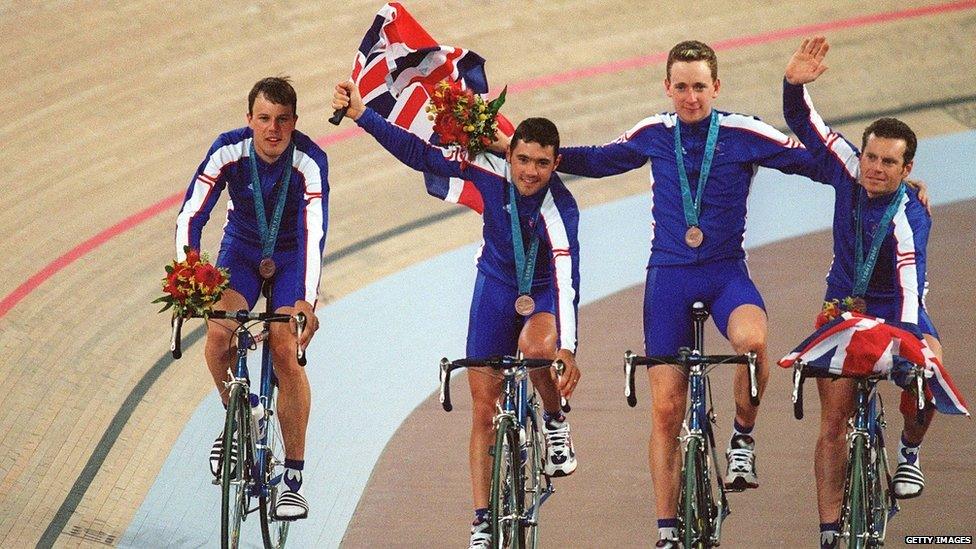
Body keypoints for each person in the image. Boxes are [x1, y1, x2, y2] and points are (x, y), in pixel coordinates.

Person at [553, 40, 824, 547]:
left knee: (752, 344)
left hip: (725, 275)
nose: (691, 96)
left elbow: (817, 164)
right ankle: (666, 530)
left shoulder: (744, 132)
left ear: (716, 88)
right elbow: (597, 159)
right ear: (667, 87)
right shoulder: (654, 133)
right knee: (665, 411)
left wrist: (889, 184)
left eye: (700, 86)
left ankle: (742, 438)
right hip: (669, 279)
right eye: (682, 86)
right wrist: (533, 153)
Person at [332, 80, 582, 549]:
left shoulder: (560, 208)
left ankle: (553, 420)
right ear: (510, 155)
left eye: (542, 163)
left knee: (534, 350)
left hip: (544, 295)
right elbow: (419, 153)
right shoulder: (486, 170)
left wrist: (567, 349)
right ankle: (483, 519)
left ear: (556, 164)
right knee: (484, 411)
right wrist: (363, 115)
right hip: (495, 287)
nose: (530, 172)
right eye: (523, 160)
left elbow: (568, 281)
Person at [783, 36, 941, 549]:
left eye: (887, 163)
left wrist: (913, 348)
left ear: (906, 171)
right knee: (834, 420)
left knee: (931, 370)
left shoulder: (908, 219)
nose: (874, 167)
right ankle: (830, 529)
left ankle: (909, 452)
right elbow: (810, 127)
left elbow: (911, 289)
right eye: (870, 156)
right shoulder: (849, 169)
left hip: (899, 310)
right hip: (843, 309)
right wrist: (793, 85)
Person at [174, 76, 328, 520]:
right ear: (249, 120)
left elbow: (315, 230)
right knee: (219, 336)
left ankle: (293, 479)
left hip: (290, 255)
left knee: (284, 349)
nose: (273, 129)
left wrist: (307, 301)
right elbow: (191, 215)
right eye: (264, 119)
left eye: (282, 120)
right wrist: (190, 274)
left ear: (295, 122)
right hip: (241, 250)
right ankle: (240, 414)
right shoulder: (227, 149)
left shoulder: (310, 161)